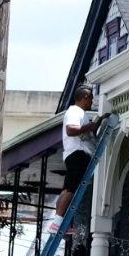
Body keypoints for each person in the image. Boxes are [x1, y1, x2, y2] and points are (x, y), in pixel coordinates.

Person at [51, 86, 100, 230]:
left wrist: (91, 128)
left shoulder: (77, 112)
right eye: (90, 98)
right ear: (85, 98)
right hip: (78, 153)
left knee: (66, 189)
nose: (91, 102)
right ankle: (58, 223)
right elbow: (71, 130)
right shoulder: (75, 111)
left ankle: (57, 222)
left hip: (73, 154)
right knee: (71, 189)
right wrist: (89, 126)